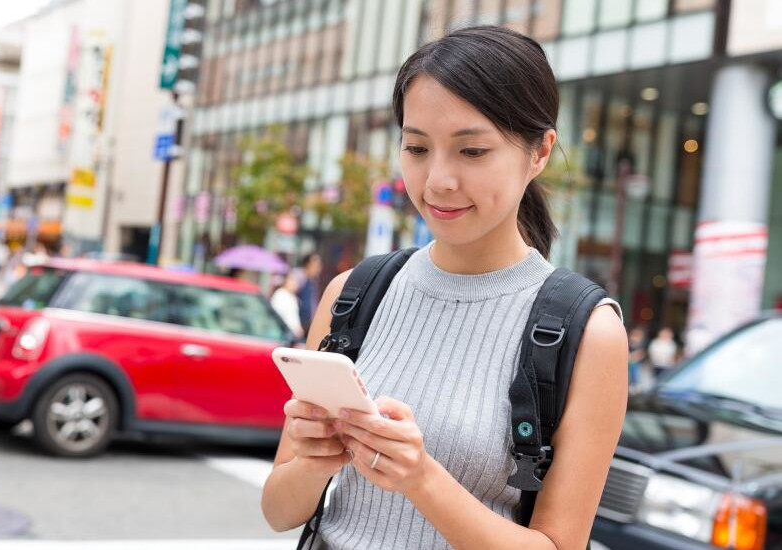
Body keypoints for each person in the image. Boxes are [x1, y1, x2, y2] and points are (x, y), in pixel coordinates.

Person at [261, 26, 628, 550]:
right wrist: (317, 459)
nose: (438, 180)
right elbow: (277, 511)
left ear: (540, 151)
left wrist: (421, 478)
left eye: (472, 151)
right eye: (416, 147)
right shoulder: (354, 293)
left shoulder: (587, 331)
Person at [271, 273, 305, 340]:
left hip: (293, 334)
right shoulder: (280, 294)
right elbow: (277, 315)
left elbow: (294, 316)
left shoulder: (293, 297)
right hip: (283, 333)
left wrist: (298, 328)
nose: (295, 284)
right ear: (286, 281)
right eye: (292, 281)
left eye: (296, 282)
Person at [297, 253, 323, 332]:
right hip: (298, 322)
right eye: (316, 265)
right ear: (307, 265)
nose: (318, 268)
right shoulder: (299, 277)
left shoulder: (313, 282)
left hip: (308, 322)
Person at [627, 325, 648, 393]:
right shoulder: (629, 344)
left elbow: (641, 354)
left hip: (636, 363)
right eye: (634, 335)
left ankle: (635, 384)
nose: (635, 337)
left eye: (637, 335)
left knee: (635, 373)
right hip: (629, 362)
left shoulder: (641, 345)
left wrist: (633, 357)